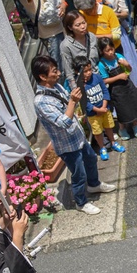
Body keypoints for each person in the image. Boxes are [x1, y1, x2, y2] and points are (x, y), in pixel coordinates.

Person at [32, 57, 116, 215]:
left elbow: (71, 107)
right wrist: (72, 101)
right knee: (78, 174)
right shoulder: (41, 101)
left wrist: (74, 100)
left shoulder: (56, 86)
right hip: (66, 145)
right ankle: (81, 202)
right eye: (54, 71)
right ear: (42, 76)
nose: (58, 73)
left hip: (77, 136)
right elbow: (63, 122)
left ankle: (94, 184)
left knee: (91, 159)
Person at [14, 0, 66, 64]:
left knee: (68, 62)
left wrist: (64, 4)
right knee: (59, 67)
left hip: (60, 28)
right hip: (49, 35)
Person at [74, 57, 126, 162]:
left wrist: (104, 106)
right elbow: (84, 103)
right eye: (85, 71)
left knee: (109, 127)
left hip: (104, 108)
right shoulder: (79, 86)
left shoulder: (97, 77)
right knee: (97, 132)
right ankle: (102, 147)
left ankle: (113, 143)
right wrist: (97, 110)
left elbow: (105, 91)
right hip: (93, 114)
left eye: (90, 70)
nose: (88, 73)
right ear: (77, 72)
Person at [97, 39, 137, 139]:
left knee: (133, 104)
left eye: (111, 49)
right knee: (121, 109)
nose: (110, 52)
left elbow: (129, 69)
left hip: (127, 85)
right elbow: (105, 80)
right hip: (116, 89)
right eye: (107, 50)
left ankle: (135, 125)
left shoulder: (119, 56)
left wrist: (126, 65)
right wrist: (118, 77)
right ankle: (122, 129)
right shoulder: (101, 64)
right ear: (102, 51)